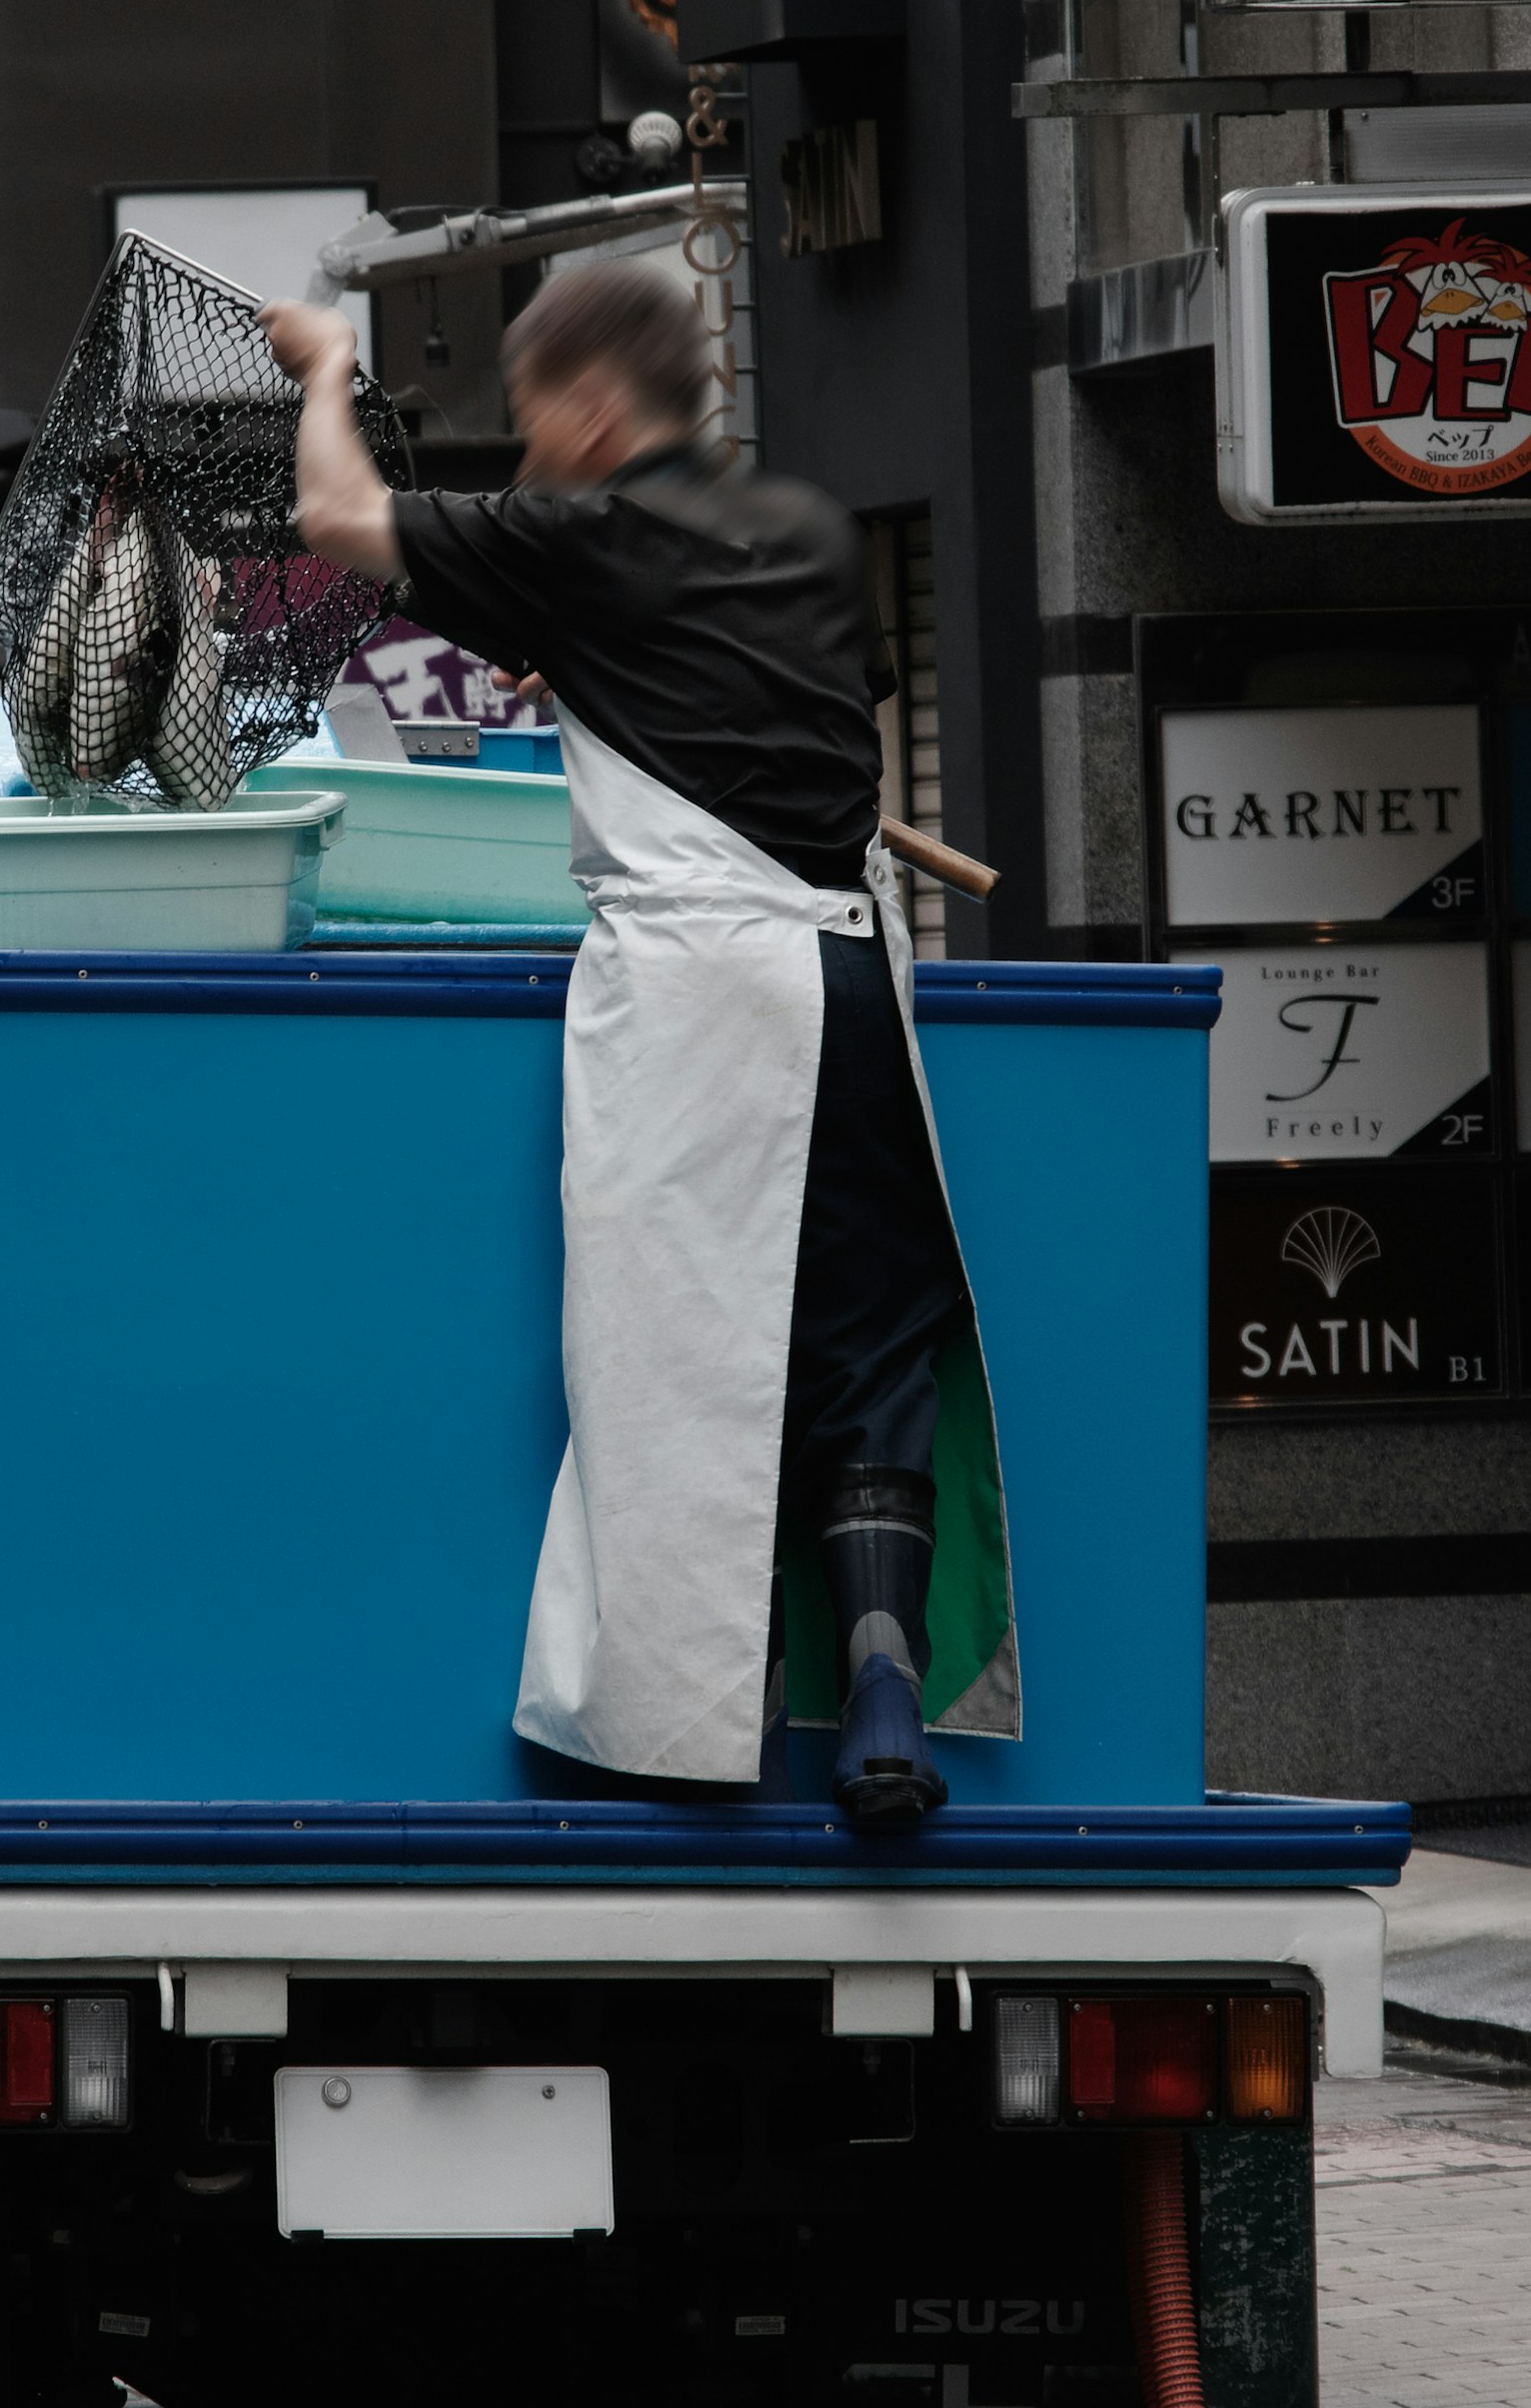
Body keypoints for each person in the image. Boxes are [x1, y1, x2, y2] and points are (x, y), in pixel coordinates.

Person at [261, 263, 991, 1830]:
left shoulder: (586, 537)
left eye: (531, 428)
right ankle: (881, 1686)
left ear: (592, 413)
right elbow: (755, 694)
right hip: (861, 980)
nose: (527, 462)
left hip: (705, 1004)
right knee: (867, 1355)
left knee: (680, 1364)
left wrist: (328, 366)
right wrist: (578, 658)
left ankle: (671, 1726)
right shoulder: (805, 527)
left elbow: (337, 521)